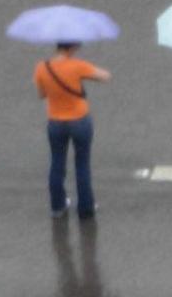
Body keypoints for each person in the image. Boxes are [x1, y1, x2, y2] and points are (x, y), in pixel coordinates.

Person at [33, 42, 111, 219]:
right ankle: (85, 208)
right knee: (82, 164)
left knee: (57, 163)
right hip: (80, 121)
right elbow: (105, 76)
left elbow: (41, 95)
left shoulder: (42, 67)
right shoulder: (77, 66)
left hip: (55, 122)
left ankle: (57, 206)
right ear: (72, 47)